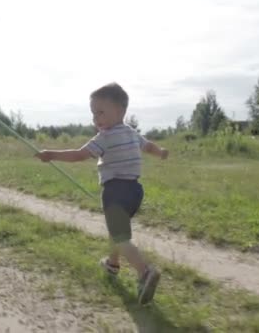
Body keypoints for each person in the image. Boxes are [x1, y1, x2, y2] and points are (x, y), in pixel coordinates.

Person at [34, 82, 169, 304]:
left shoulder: (104, 137)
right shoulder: (132, 133)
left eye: (101, 112)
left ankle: (145, 273)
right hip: (135, 191)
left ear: (121, 112)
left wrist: (51, 154)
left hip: (115, 190)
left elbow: (79, 155)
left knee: (120, 235)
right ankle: (113, 264)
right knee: (117, 231)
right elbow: (150, 146)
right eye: (93, 113)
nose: (96, 119)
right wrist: (161, 152)